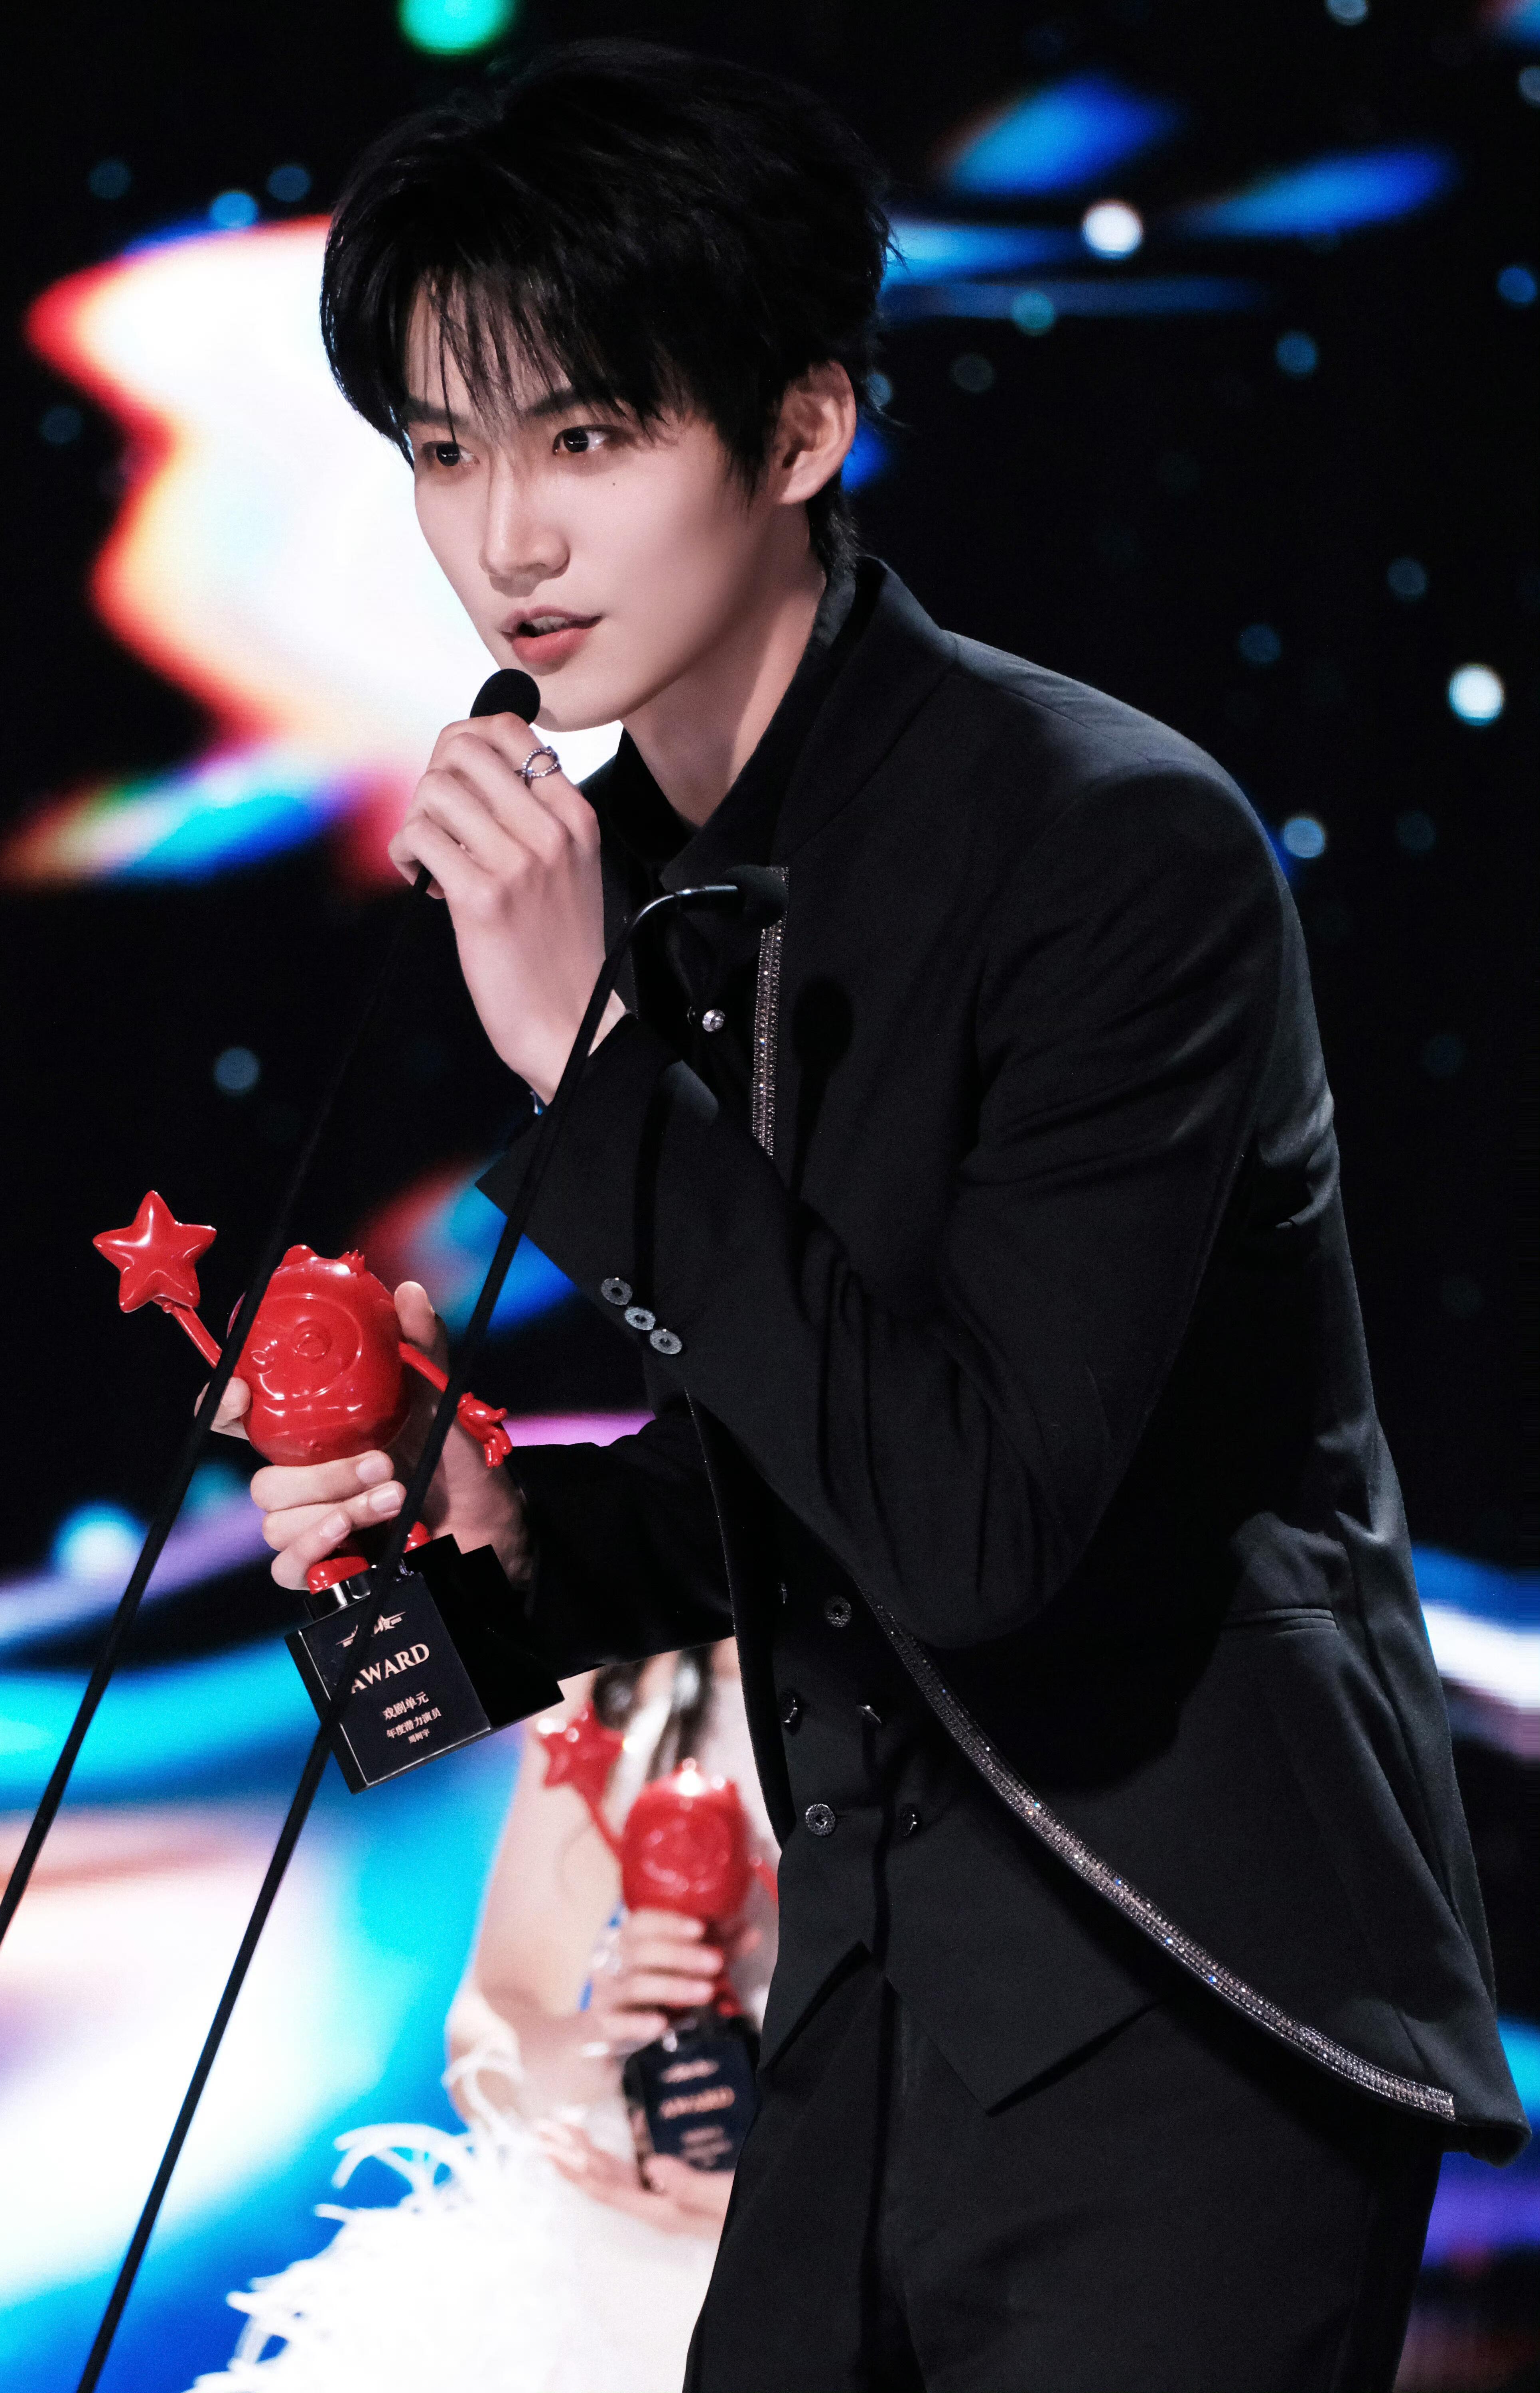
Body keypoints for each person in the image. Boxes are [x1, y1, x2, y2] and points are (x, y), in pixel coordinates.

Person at [219, 38, 1527, 2393]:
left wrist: (588, 1071)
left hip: (1184, 2005)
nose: (506, 539)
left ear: (804, 428)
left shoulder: (1110, 847)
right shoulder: (668, 890)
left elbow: (975, 1520)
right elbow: (763, 1498)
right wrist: (464, 1554)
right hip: (863, 2006)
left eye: (584, 437)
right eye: (442, 448)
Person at [198, 1649, 777, 2393]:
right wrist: (606, 2041)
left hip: (881, 2230)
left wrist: (814, 2205)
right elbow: (489, 2022)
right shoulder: (624, 1673)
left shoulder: (910, 1633)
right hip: (643, 2232)